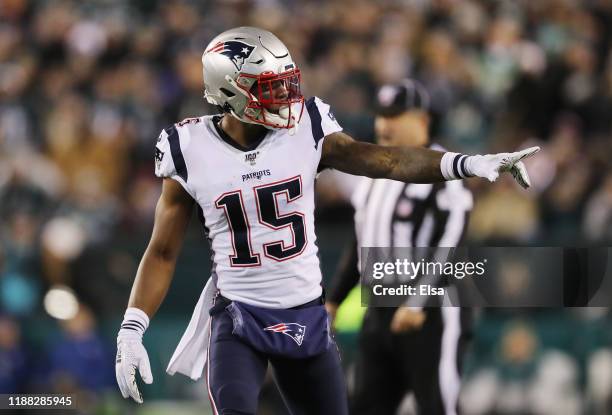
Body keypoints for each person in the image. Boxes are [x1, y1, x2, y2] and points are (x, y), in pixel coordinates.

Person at [114, 27, 538, 415]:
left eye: (284, 83)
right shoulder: (187, 147)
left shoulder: (307, 127)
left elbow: (384, 160)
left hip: (307, 317)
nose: (284, 96)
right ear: (231, 91)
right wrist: (132, 328)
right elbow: (163, 250)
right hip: (238, 317)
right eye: (268, 87)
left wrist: (466, 163)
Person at [326, 79, 472, 415]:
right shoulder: (373, 175)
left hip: (432, 310)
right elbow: (360, 243)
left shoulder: (442, 170)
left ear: (422, 121)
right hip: (379, 308)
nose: (384, 125)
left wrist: (417, 302)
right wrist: (334, 300)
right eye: (381, 115)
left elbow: (451, 242)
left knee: (438, 406)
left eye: (396, 115)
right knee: (364, 405)